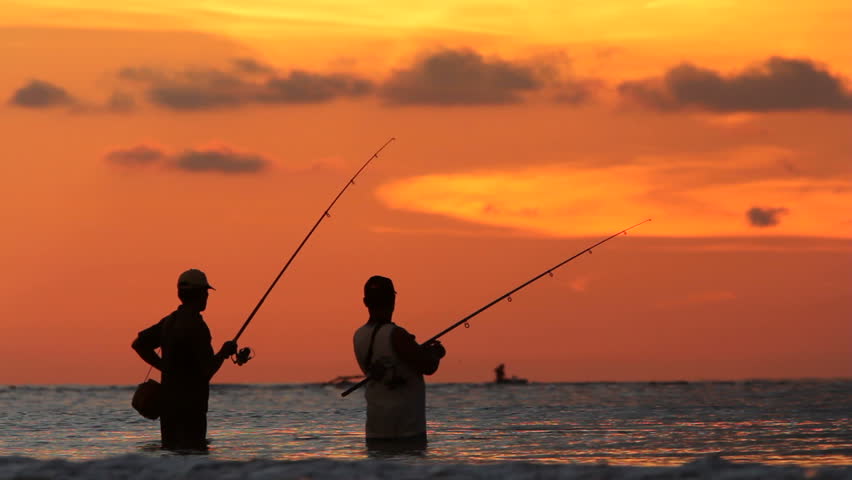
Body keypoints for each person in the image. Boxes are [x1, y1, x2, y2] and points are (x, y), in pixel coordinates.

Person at [132, 268, 237, 451]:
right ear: (198, 294)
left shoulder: (169, 321)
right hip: (191, 409)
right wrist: (223, 352)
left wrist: (165, 367)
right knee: (193, 458)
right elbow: (206, 371)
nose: (207, 296)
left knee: (171, 457)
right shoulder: (197, 326)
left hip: (168, 408)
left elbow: (139, 344)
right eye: (205, 291)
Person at [353, 275, 446, 452]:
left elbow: (389, 361)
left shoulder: (358, 336)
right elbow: (428, 366)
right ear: (393, 300)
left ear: (365, 302)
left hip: (375, 430)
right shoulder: (397, 335)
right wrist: (436, 352)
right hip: (407, 430)